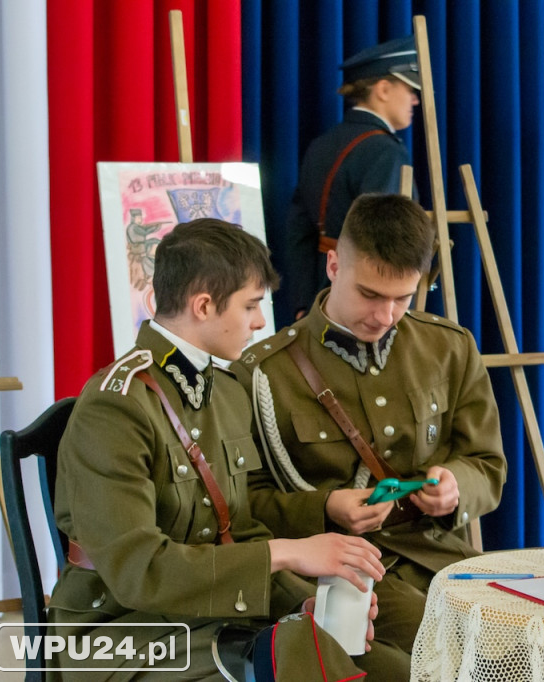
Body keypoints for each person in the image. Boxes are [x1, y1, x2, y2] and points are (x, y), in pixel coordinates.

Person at [48, 218, 388, 680]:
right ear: (204, 306)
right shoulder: (117, 405)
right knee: (308, 666)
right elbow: (138, 571)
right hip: (119, 632)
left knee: (384, 664)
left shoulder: (224, 389)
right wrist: (287, 553)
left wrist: (302, 602)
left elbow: (236, 532)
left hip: (208, 617)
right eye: (250, 305)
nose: (260, 321)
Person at [233, 193, 507, 681]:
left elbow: (488, 464)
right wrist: (326, 507)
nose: (386, 316)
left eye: (403, 298)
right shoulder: (263, 372)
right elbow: (242, 506)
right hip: (338, 573)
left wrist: (454, 487)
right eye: (371, 295)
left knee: (532, 638)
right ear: (334, 264)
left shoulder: (449, 347)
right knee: (457, 656)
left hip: (438, 555)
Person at [283, 35, 421, 320]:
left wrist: (302, 303)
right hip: (366, 307)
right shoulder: (384, 151)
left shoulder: (322, 144)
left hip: (317, 301)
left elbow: (298, 230)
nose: (415, 100)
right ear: (383, 89)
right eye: (409, 89)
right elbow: (386, 243)